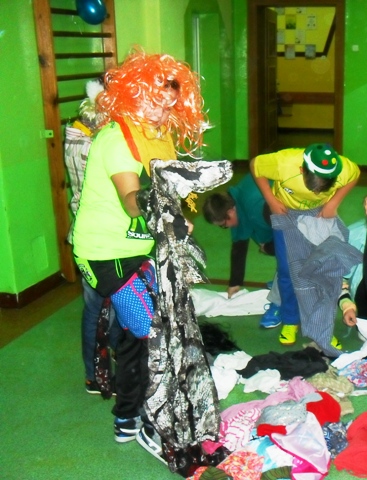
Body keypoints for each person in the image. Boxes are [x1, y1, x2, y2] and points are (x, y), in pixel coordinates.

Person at [72, 49, 209, 461]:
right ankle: (139, 415)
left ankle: (129, 407)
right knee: (151, 332)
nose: (161, 111)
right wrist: (167, 215)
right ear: (133, 93)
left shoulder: (158, 134)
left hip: (142, 249)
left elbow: (168, 187)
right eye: (154, 100)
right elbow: (133, 200)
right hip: (104, 254)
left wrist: (179, 211)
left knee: (140, 332)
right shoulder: (117, 138)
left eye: (169, 103)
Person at [250, 143, 361, 357]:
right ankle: (290, 319)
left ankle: (322, 328)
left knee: (324, 270)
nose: (316, 192)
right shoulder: (284, 163)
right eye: (313, 188)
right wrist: (271, 200)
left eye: (322, 189)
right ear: (302, 170)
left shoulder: (343, 168)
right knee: (287, 270)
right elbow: (255, 165)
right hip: (286, 213)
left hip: (320, 215)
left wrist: (333, 203)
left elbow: (355, 175)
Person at [64, 77, 124, 395]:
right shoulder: (90, 144)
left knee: (109, 305)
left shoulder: (81, 137)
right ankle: (95, 375)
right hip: (95, 238)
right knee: (98, 309)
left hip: (99, 234)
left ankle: (111, 354)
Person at [202, 174, 281, 328]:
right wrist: (235, 283)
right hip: (275, 218)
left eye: (223, 225)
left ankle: (279, 303)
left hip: (295, 221)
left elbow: (289, 238)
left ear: (231, 212)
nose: (226, 227)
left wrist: (269, 248)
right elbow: (239, 244)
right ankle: (282, 279)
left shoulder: (257, 206)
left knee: (288, 262)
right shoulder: (236, 199)